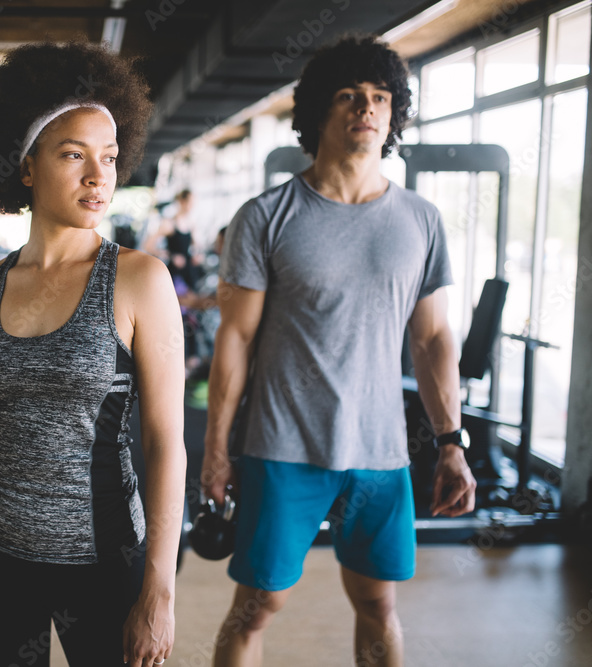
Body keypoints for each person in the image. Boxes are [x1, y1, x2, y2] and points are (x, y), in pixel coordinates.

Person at [201, 35, 477, 667]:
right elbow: (235, 337)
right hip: (281, 448)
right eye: (350, 96)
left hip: (379, 453)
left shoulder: (421, 221)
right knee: (257, 607)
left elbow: (433, 340)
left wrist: (451, 443)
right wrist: (217, 450)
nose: (367, 108)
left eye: (381, 97)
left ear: (395, 114)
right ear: (319, 112)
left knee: (379, 606)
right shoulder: (266, 216)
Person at [0, 41, 187, 667]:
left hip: (103, 562)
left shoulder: (139, 281)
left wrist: (160, 590)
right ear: (27, 167)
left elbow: (166, 443)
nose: (100, 177)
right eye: (74, 155)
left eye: (111, 158)